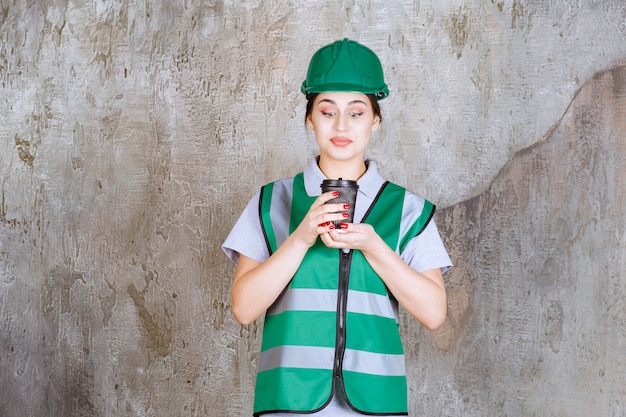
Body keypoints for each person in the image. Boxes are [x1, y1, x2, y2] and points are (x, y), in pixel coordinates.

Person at [222, 38, 452, 416]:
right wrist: (300, 238)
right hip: (288, 402)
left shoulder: (409, 210)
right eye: (327, 112)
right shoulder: (270, 202)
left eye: (357, 112)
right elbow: (243, 309)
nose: (341, 125)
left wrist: (376, 248)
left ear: (375, 120)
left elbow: (434, 313)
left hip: (376, 403)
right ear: (309, 118)